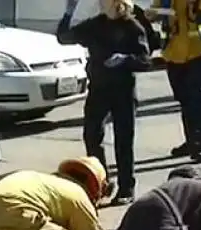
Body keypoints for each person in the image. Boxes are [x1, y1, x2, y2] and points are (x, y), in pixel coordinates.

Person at [57, 0, 151, 206]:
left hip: (123, 90)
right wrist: (68, 13)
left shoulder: (132, 27)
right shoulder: (95, 25)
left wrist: (125, 59)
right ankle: (101, 182)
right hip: (99, 88)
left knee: (123, 140)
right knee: (92, 135)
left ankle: (127, 187)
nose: (102, 4)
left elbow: (145, 60)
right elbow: (64, 38)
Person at [146, 0, 201, 162]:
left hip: (198, 48)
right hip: (173, 49)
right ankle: (192, 140)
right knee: (183, 97)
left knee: (197, 95)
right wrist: (153, 13)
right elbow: (158, 7)